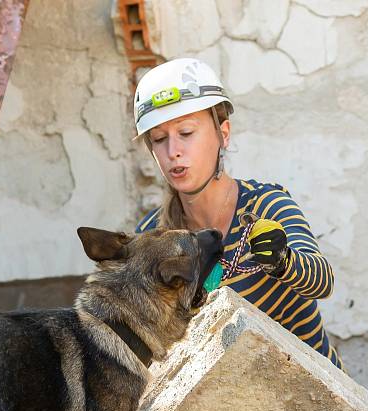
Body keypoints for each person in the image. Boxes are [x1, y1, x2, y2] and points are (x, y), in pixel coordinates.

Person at [134, 58, 343, 369]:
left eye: (187, 132)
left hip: (312, 400)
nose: (173, 151)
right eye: (160, 139)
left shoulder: (265, 205)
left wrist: (283, 260)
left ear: (224, 134)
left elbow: (322, 281)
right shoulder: (152, 237)